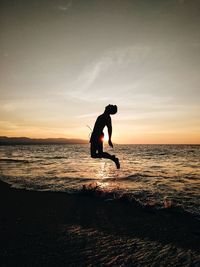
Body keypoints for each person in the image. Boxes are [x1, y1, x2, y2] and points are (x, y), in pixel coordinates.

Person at [90, 104, 120, 169]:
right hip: (96, 135)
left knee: (95, 154)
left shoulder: (107, 117)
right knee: (96, 154)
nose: (108, 105)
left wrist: (109, 139)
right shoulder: (103, 116)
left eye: (110, 106)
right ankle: (113, 158)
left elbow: (110, 128)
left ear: (109, 109)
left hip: (97, 136)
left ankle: (113, 158)